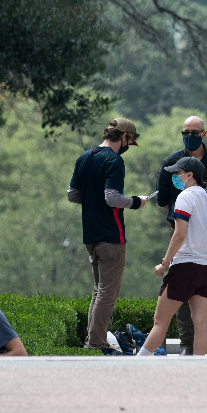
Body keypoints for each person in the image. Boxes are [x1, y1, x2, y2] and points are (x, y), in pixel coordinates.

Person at [67, 117, 152, 354]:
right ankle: (95, 342)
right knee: (108, 291)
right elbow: (112, 198)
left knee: (98, 289)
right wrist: (136, 202)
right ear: (123, 137)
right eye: (129, 140)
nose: (128, 146)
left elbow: (73, 194)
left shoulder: (84, 157)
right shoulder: (114, 161)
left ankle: (92, 340)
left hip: (90, 235)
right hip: (110, 234)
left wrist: (92, 199)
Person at [156, 115, 207, 355]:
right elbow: (164, 200)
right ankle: (186, 346)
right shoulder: (172, 161)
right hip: (180, 231)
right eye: (185, 132)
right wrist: (186, 219)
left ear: (204, 134)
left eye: (194, 132)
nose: (190, 136)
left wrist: (204, 220)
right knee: (180, 289)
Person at [136, 157, 207, 356]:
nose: (175, 176)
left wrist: (164, 263)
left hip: (186, 267)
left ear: (189, 175)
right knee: (200, 320)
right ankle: (198, 366)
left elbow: (179, 234)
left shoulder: (185, 197)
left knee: (160, 322)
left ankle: (137, 363)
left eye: (177, 173)